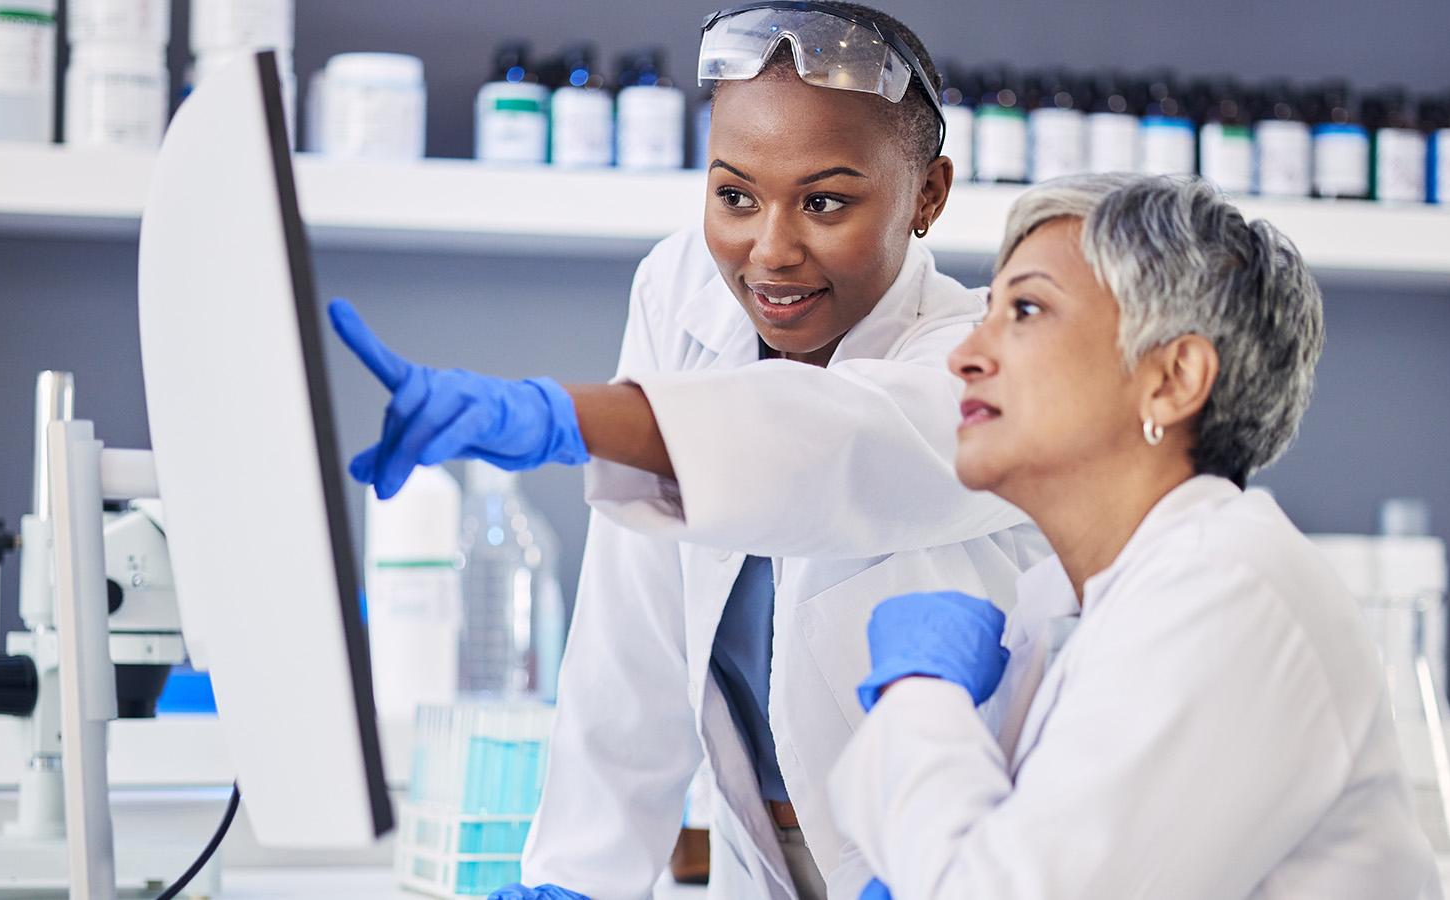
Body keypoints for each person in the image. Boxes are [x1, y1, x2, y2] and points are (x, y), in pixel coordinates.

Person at [328, 4, 1038, 899]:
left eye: (825, 201)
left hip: (948, 860)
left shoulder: (988, 357)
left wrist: (565, 418)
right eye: (734, 194)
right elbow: (635, 613)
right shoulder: (683, 292)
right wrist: (578, 877)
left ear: (928, 194)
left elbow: (827, 446)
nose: (769, 252)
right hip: (765, 861)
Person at [827, 173, 1441, 899]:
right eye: (985, 311)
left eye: (1025, 309)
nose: (964, 357)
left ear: (1173, 378)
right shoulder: (1067, 605)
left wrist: (918, 695)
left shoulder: (1231, 588)